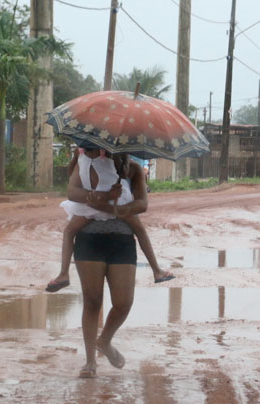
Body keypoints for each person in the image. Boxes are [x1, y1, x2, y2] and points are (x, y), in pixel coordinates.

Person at [65, 148, 148, 378]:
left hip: (122, 240)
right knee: (92, 301)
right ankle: (90, 361)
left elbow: (143, 203)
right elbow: (72, 191)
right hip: (88, 239)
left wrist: (120, 209)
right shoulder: (86, 161)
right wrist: (96, 198)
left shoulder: (133, 169)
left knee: (123, 302)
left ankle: (105, 341)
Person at [45, 146, 174, 293]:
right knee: (139, 229)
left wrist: (78, 159)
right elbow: (125, 173)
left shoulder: (85, 151)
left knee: (69, 231)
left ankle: (63, 273)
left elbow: (72, 176)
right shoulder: (120, 151)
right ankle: (157, 270)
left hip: (94, 202)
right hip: (119, 200)